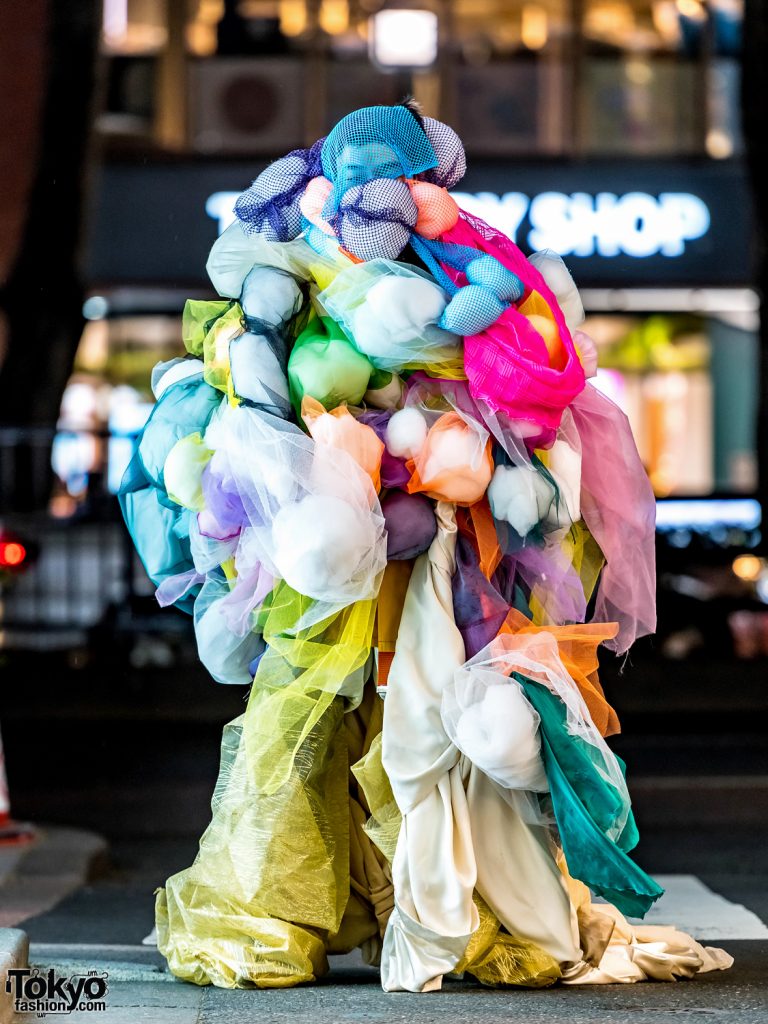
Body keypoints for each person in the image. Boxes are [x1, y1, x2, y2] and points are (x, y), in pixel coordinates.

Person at [119, 101, 732, 991]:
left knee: (419, 712)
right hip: (350, 527)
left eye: (391, 172)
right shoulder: (310, 261)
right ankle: (290, 909)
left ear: (423, 178)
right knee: (319, 714)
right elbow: (256, 363)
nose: (377, 189)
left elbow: (520, 375)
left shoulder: (460, 261)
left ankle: (404, 906)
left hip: (441, 530)